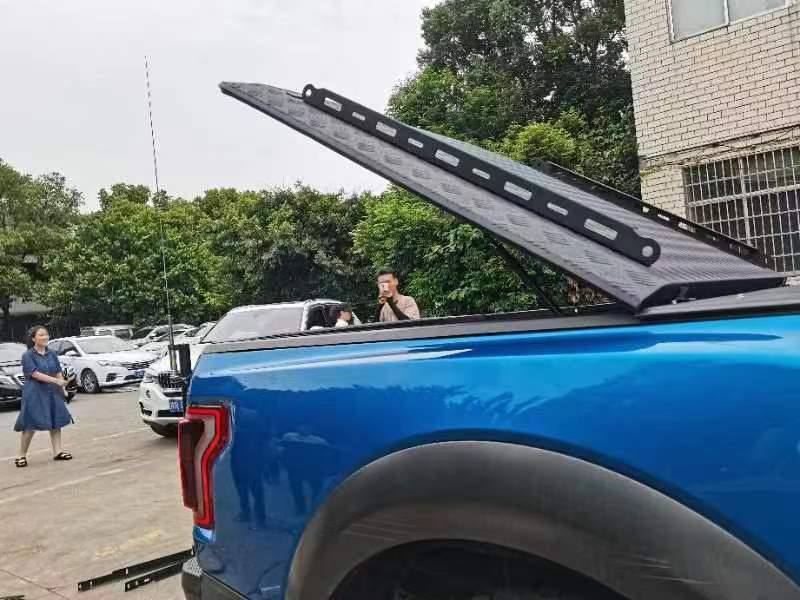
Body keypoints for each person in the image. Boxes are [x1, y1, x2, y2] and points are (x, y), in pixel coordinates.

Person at [14, 326, 74, 467]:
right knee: (31, 422)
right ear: (33, 338)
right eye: (41, 335)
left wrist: (63, 388)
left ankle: (58, 452)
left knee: (56, 420)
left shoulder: (52, 354)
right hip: (35, 392)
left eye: (46, 334)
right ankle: (21, 455)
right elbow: (35, 374)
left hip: (52, 391)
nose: (45, 337)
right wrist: (56, 381)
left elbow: (58, 371)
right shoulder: (28, 355)